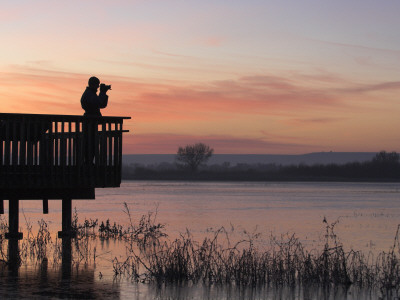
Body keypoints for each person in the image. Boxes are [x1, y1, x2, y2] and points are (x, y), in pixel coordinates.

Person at [81, 76, 111, 164]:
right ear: (93, 84)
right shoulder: (89, 94)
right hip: (90, 121)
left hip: (91, 121)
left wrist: (103, 93)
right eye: (97, 85)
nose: (98, 87)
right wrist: (102, 93)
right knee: (90, 142)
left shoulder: (90, 93)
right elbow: (100, 103)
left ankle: (89, 161)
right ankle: (88, 162)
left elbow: (101, 104)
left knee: (92, 142)